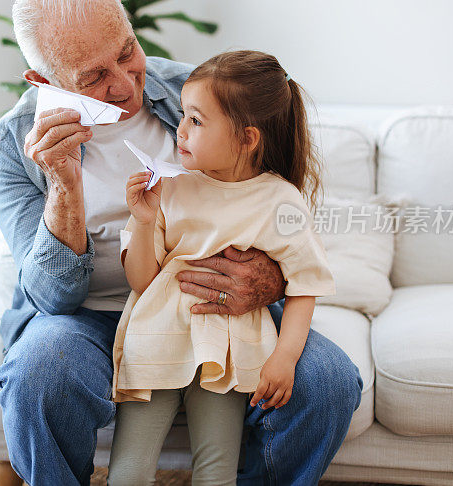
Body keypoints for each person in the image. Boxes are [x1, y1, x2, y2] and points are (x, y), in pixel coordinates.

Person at [0, 0, 363, 486]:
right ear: (44, 82)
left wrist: (269, 278)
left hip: (219, 307)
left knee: (330, 383)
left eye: (125, 51)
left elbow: (276, 205)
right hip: (88, 319)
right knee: (39, 373)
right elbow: (52, 298)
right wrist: (64, 190)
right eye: (93, 77)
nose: (123, 85)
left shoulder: (197, 89)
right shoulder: (11, 144)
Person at [108, 50, 336, 485]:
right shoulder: (169, 187)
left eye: (196, 120)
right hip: (155, 343)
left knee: (216, 473)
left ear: (247, 139)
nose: (181, 130)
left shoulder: (280, 201)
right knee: (128, 472)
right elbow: (141, 281)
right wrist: (141, 221)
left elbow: (306, 283)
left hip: (228, 354)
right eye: (183, 116)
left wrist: (284, 358)